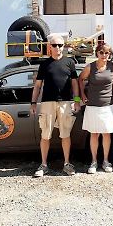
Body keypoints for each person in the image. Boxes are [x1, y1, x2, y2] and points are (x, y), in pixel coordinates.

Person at [30, 34, 80, 177]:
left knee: (65, 134)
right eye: (54, 45)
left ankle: (67, 164)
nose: (57, 48)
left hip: (65, 103)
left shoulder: (70, 62)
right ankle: (44, 165)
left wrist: (76, 101)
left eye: (60, 45)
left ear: (64, 47)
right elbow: (38, 85)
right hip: (47, 103)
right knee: (45, 135)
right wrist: (33, 103)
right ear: (49, 47)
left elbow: (75, 83)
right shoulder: (44, 65)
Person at [79, 42, 113, 174]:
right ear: (97, 53)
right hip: (92, 106)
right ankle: (94, 161)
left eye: (106, 52)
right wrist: (82, 95)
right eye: (101, 52)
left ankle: (106, 161)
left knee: (106, 133)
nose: (104, 55)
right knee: (94, 133)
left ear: (110, 54)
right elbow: (80, 80)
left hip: (108, 105)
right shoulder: (89, 67)